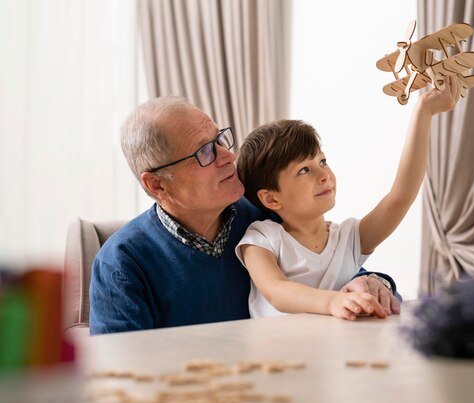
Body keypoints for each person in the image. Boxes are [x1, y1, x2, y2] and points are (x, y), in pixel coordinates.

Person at [89, 97, 396, 334]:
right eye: (204, 152)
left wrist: (373, 281)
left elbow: (331, 272)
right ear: (157, 184)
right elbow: (119, 376)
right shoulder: (120, 265)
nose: (229, 156)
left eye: (219, 140)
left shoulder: (264, 217)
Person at [235, 75, 461, 320]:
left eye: (322, 161)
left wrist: (424, 112)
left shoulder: (349, 239)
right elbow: (276, 291)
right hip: (276, 356)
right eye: (304, 170)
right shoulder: (261, 238)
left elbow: (401, 196)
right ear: (270, 199)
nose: (323, 175)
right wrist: (334, 301)